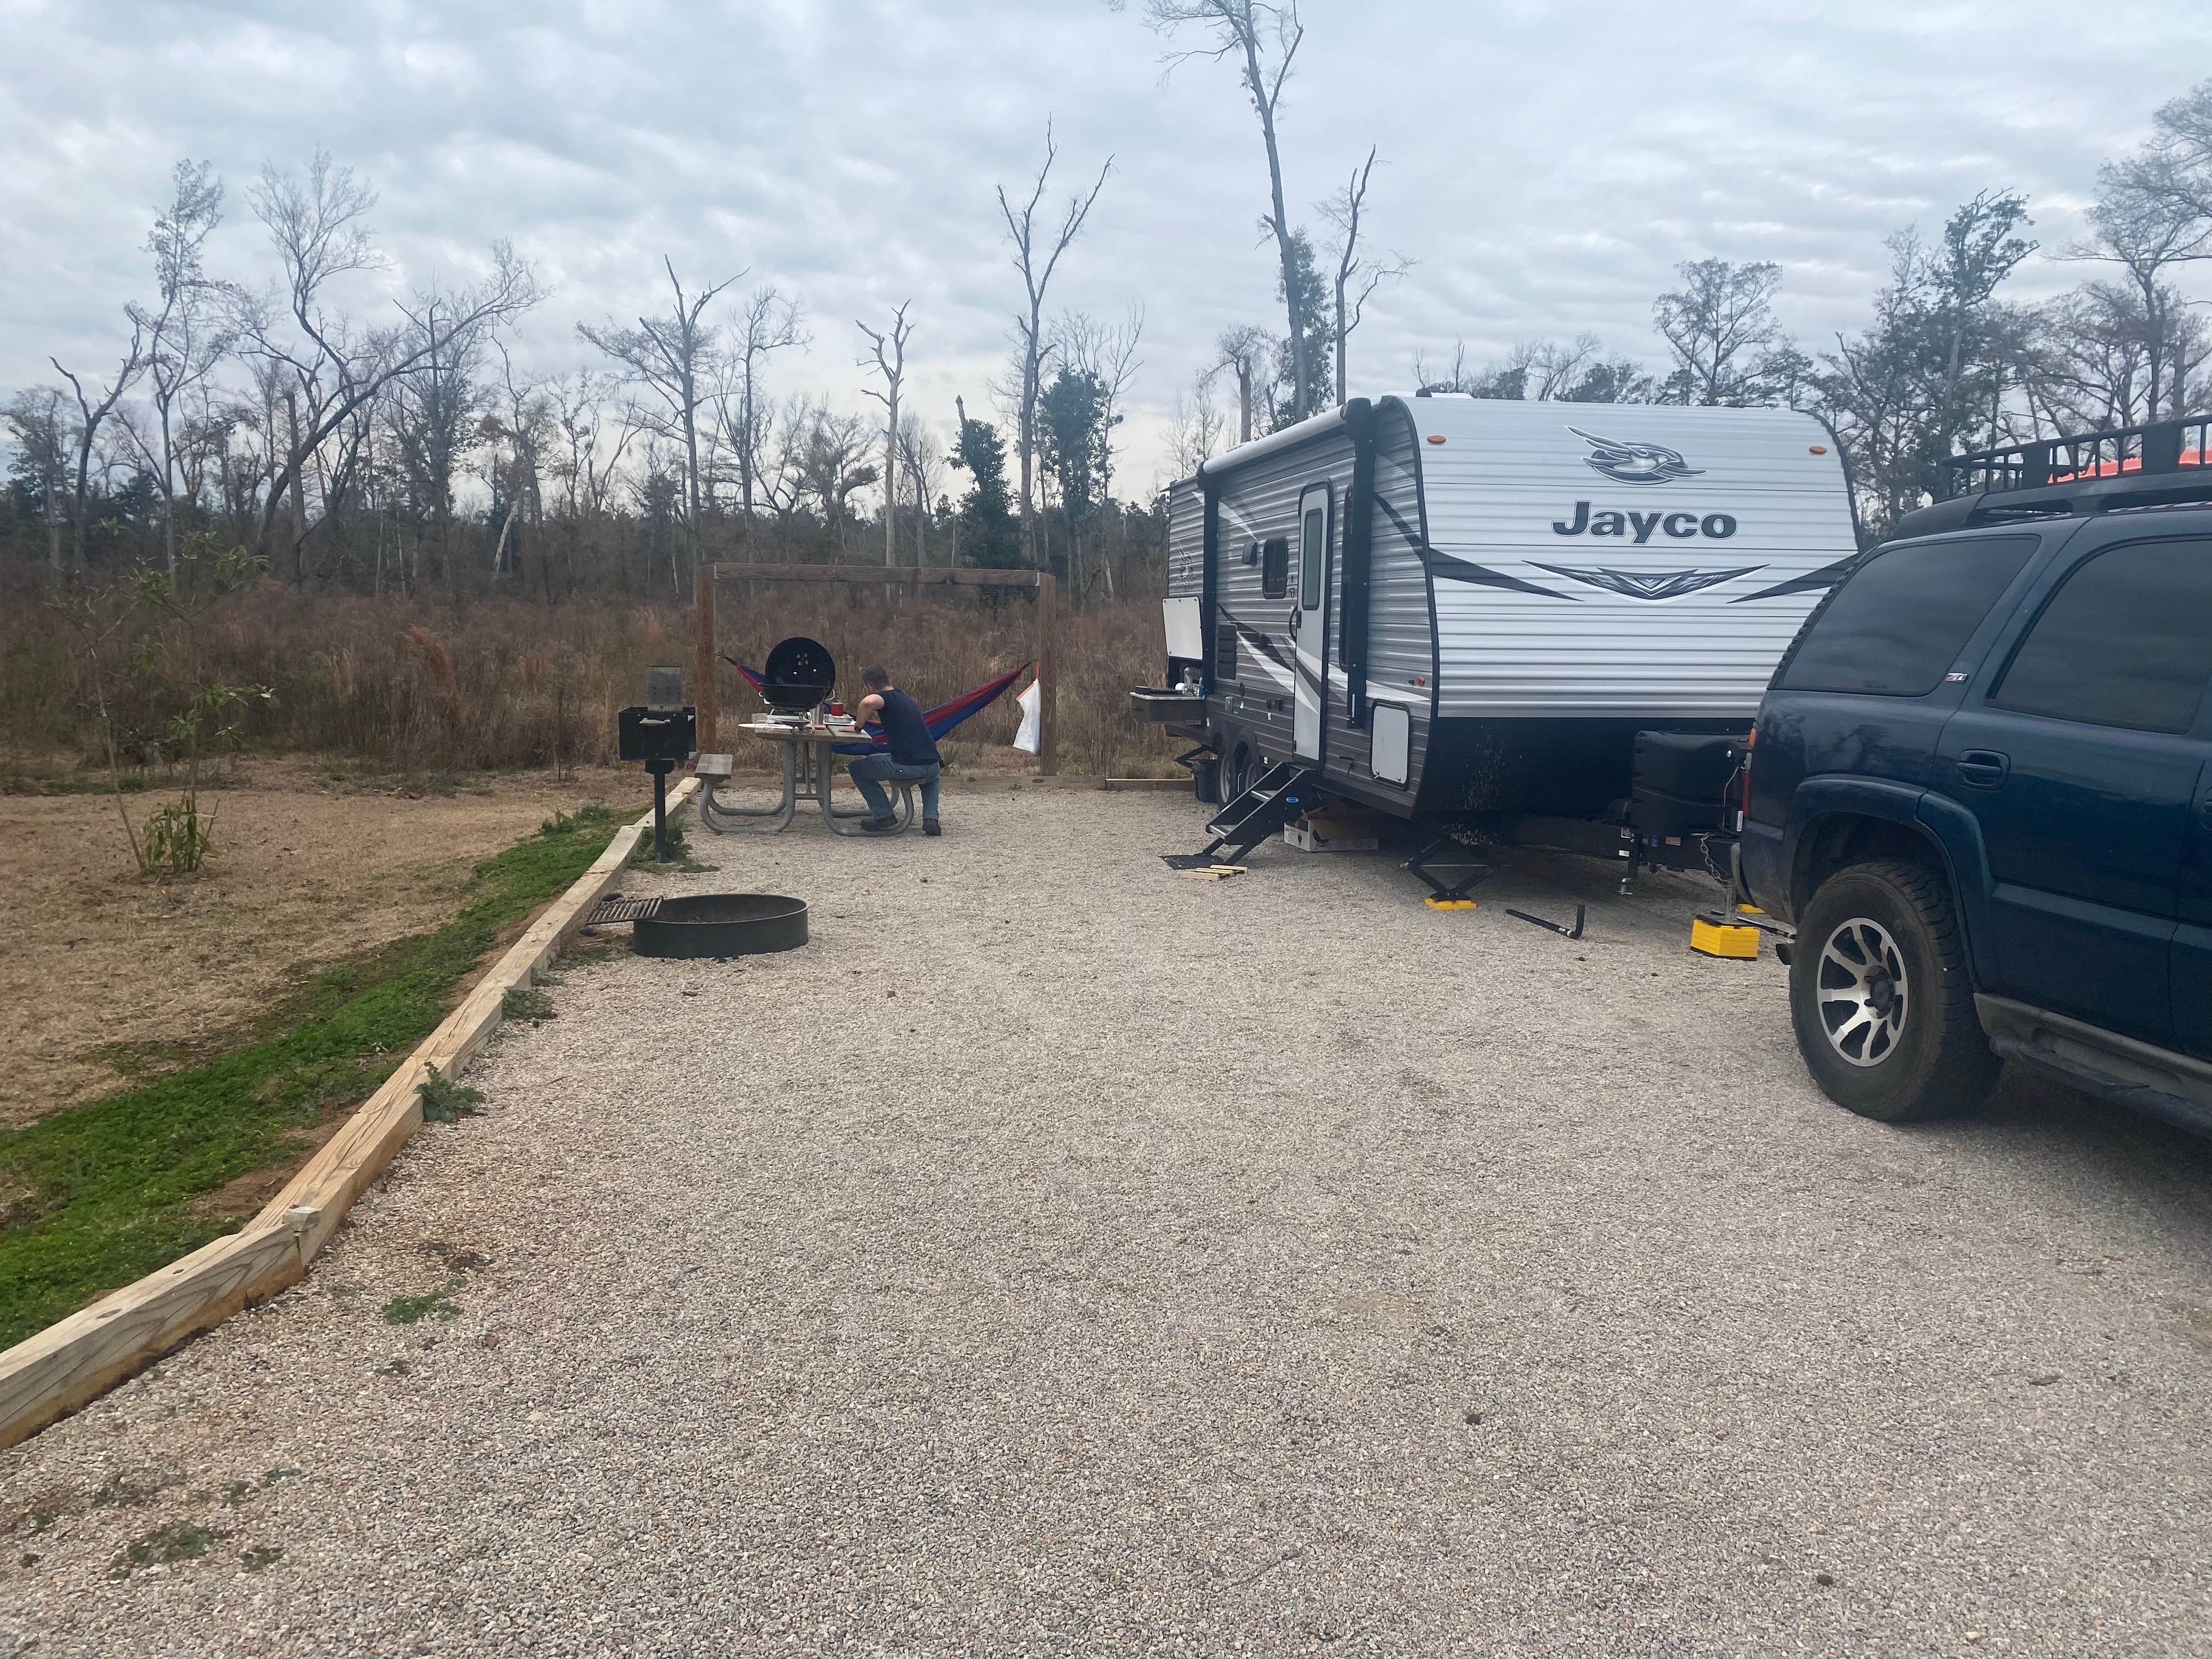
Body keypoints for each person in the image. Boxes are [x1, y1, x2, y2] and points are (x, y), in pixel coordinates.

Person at [847, 665, 942, 835]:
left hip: (907, 765)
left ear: (870, 686)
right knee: (932, 779)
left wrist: (858, 727)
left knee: (857, 768)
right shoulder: (904, 698)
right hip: (933, 764)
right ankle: (931, 819)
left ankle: (884, 815)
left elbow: (868, 703)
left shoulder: (885, 698)